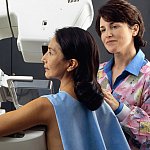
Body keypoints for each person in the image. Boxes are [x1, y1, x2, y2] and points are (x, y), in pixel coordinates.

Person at [0, 27, 130, 150]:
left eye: (50, 52)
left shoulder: (48, 106)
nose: (43, 58)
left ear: (71, 64)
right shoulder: (102, 104)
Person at [95, 0, 150, 149]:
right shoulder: (96, 72)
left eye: (114, 26)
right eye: (103, 29)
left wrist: (119, 108)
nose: (108, 34)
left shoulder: (148, 76)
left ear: (134, 29)